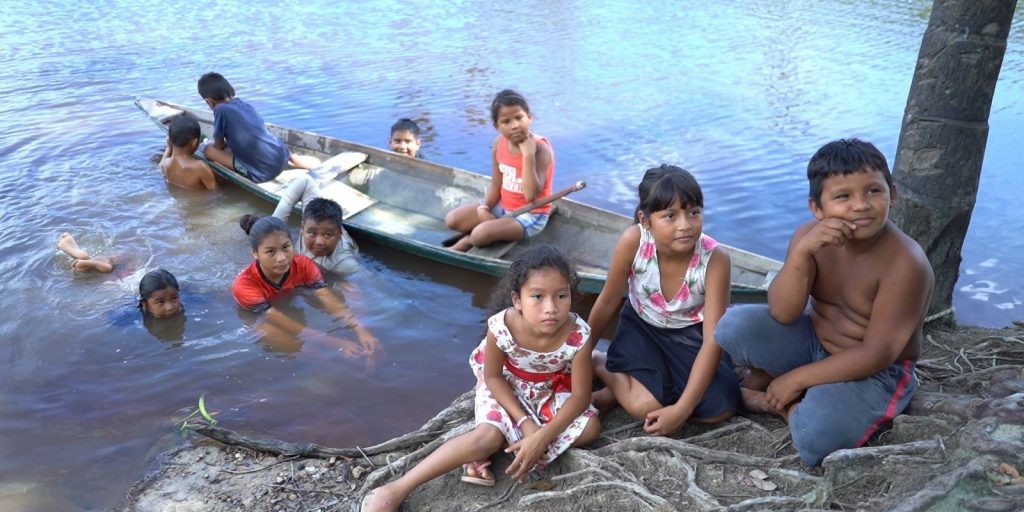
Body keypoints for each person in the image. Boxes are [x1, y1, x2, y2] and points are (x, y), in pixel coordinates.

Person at [714, 139, 935, 467]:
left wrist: (797, 379)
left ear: (893, 193)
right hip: (815, 343)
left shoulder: (905, 263)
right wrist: (803, 253)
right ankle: (788, 389)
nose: (861, 205)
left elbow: (877, 354)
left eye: (873, 191)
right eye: (844, 196)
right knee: (733, 325)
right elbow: (783, 312)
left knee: (818, 442)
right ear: (817, 208)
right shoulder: (810, 237)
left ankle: (785, 403)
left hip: (875, 370)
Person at [360, 245, 600, 512]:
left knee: (590, 430)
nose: (551, 308)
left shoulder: (579, 334)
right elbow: (493, 377)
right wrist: (525, 423)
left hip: (549, 390)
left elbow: (579, 396)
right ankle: (395, 488)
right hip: (507, 387)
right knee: (487, 438)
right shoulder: (502, 326)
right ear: (517, 300)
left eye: (561, 296)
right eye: (537, 297)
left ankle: (503, 446)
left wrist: (541, 437)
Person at [587, 165, 739, 437]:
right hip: (642, 327)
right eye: (670, 216)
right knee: (647, 405)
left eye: (693, 212)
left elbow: (712, 339)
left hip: (690, 335)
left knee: (719, 409)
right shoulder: (634, 241)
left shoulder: (715, 260)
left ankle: (614, 393)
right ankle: (600, 362)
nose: (685, 225)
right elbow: (608, 302)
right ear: (645, 220)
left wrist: (681, 410)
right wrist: (581, 353)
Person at [232, 216, 379, 356]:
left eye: (286, 247)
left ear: (292, 243)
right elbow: (273, 316)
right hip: (259, 312)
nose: (282, 258)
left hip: (287, 295)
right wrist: (333, 342)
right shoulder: (244, 285)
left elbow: (324, 294)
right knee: (265, 330)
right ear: (255, 253)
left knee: (350, 288)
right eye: (270, 251)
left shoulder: (303, 265)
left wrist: (360, 329)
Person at [444, 90, 555, 252]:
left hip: (531, 214)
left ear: (529, 118)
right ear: (497, 126)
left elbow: (531, 197)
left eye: (519, 118)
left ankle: (468, 240)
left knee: (478, 236)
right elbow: (496, 184)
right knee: (452, 220)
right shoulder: (499, 144)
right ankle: (492, 225)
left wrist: (528, 156)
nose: (515, 125)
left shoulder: (541, 150)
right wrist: (485, 208)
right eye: (506, 121)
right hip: (504, 205)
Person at [196, 72, 320, 183]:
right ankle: (296, 159)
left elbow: (219, 146)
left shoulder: (220, 109)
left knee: (207, 150)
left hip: (263, 172)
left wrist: (211, 145)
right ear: (233, 90)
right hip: (282, 154)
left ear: (210, 102)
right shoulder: (246, 105)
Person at [242, 189, 360, 276]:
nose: (319, 242)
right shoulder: (311, 218)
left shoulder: (346, 264)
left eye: (327, 235)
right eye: (312, 234)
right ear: (302, 228)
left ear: (339, 233)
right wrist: (273, 226)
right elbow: (305, 180)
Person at [159, 115, 218, 191]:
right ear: (195, 142)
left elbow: (160, 168)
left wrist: (169, 148)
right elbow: (215, 192)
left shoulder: (165, 164)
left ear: (170, 140)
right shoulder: (200, 167)